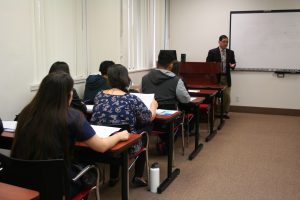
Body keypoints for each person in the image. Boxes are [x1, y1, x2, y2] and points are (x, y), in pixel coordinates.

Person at [10, 72, 129, 198]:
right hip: (57, 186)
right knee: (89, 166)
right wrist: (119, 136)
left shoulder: (25, 113)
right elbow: (101, 146)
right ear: (68, 94)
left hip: (21, 182)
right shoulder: (72, 116)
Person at [91, 64, 158, 187]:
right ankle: (138, 175)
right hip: (127, 146)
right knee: (146, 129)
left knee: (114, 128)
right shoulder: (131, 99)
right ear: (126, 79)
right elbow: (148, 117)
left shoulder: (99, 95)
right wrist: (153, 105)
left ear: (109, 79)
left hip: (101, 143)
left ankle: (114, 176)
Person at [141, 50, 190, 154]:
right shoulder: (176, 80)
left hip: (149, 119)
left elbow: (142, 97)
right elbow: (186, 99)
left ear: (157, 63)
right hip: (169, 121)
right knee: (181, 116)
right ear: (171, 65)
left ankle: (162, 142)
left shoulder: (144, 78)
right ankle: (166, 145)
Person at [206, 35, 236, 119]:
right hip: (215, 77)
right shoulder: (212, 52)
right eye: (224, 41)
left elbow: (233, 63)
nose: (226, 43)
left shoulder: (231, 52)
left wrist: (233, 65)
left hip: (226, 76)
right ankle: (215, 112)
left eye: (227, 42)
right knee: (214, 95)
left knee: (226, 96)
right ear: (219, 42)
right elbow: (207, 64)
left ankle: (224, 112)